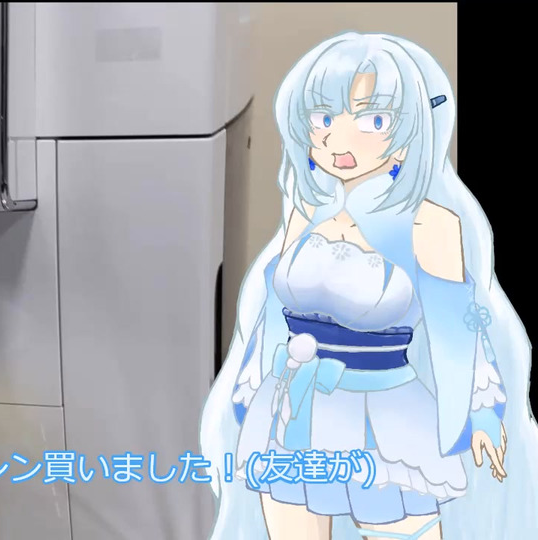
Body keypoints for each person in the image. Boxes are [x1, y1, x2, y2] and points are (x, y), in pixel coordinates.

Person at [200, 32, 538, 540]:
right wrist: (247, 396)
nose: (338, 141)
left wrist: (484, 412)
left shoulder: (430, 224)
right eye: (323, 118)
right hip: (289, 412)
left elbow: (460, 330)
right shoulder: (305, 215)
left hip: (385, 420)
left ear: (406, 131)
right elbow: (269, 320)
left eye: (372, 120)